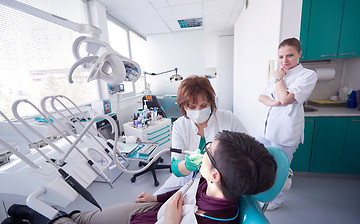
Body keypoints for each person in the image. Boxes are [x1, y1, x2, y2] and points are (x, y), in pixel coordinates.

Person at [4, 131, 276, 224]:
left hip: (156, 220)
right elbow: (186, 191)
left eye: (207, 152)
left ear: (216, 174)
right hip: (148, 211)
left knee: (61, 222)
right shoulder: (213, 184)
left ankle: (35, 216)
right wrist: (156, 197)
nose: (202, 152)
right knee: (81, 218)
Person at [154, 75, 247, 195]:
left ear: (211, 102)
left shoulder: (228, 119)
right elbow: (176, 168)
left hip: (221, 182)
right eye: (192, 107)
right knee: (155, 202)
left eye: (203, 106)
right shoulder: (180, 125)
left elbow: (247, 150)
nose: (198, 111)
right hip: (184, 180)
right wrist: (188, 165)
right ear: (183, 106)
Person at [257, 37, 318, 210]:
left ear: (299, 53)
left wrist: (278, 81)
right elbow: (261, 97)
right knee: (262, 162)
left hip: (285, 130)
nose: (284, 61)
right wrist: (275, 103)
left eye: (289, 55)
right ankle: (262, 191)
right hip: (266, 127)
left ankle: (276, 200)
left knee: (279, 168)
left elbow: (285, 98)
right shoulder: (277, 74)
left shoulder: (307, 75)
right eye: (281, 57)